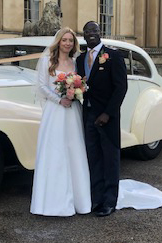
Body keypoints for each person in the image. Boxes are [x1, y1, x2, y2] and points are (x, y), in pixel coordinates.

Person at [30, 27, 92, 216]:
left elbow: (81, 82)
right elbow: (41, 86)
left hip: (72, 111)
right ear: (58, 41)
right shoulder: (47, 60)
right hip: (54, 111)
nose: (67, 43)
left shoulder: (74, 62)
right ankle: (50, 201)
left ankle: (79, 200)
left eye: (71, 41)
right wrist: (59, 99)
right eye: (64, 40)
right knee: (54, 151)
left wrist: (75, 93)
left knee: (74, 150)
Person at [76, 21, 128, 217]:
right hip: (88, 115)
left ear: (100, 33)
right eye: (87, 31)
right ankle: (96, 198)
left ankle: (109, 201)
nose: (91, 34)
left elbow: (121, 87)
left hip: (107, 117)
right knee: (93, 157)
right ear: (84, 35)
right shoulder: (81, 59)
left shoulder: (113, 56)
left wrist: (108, 113)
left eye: (94, 30)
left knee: (110, 158)